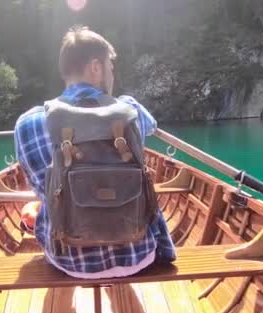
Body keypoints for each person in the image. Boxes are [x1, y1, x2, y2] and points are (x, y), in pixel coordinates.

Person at [14, 26, 176, 279]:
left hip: (68, 260)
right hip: (137, 253)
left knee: (42, 202)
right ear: (95, 67)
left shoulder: (28, 122)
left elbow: (40, 189)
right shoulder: (130, 110)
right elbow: (152, 126)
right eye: (110, 67)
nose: (112, 75)